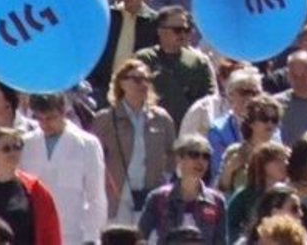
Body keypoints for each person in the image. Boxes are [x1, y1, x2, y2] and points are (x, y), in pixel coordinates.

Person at [91, 59, 179, 224]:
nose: (143, 84)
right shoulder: (106, 119)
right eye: (137, 79)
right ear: (122, 83)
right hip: (118, 196)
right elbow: (93, 158)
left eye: (146, 79)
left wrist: (165, 178)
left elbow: (173, 153)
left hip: (151, 193)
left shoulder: (162, 118)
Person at [20, 93, 108, 245]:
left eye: (51, 118)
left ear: (63, 112)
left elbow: (96, 195)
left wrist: (92, 236)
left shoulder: (87, 143)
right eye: (40, 118)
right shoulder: (26, 143)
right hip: (36, 230)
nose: (45, 124)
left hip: (73, 233)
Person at [137, 136, 228, 245]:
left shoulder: (217, 202)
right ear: (179, 158)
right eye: (194, 155)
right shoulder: (158, 198)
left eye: (206, 156)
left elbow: (221, 242)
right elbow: (139, 237)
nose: (200, 161)